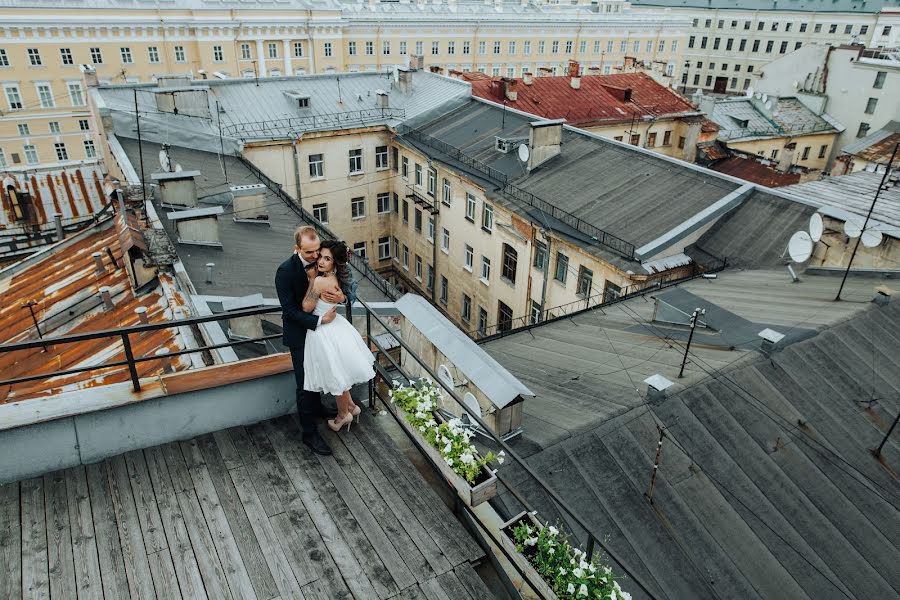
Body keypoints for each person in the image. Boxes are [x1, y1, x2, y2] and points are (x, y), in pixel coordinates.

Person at [275, 226, 344, 456]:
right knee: (304, 383)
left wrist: (342, 297)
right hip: (300, 335)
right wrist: (319, 321)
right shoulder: (284, 271)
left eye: (317, 251)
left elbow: (344, 281)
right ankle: (309, 433)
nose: (315, 257)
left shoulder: (321, 260)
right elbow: (289, 312)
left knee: (320, 372)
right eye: (309, 253)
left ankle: (317, 408)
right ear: (297, 249)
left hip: (320, 335)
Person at [302, 240, 375, 432]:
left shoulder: (319, 280)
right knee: (340, 372)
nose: (321, 262)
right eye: (321, 257)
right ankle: (351, 406)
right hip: (338, 327)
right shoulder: (338, 278)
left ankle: (343, 415)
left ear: (335, 262)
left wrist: (311, 281)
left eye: (328, 259)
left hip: (324, 330)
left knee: (335, 376)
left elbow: (306, 307)